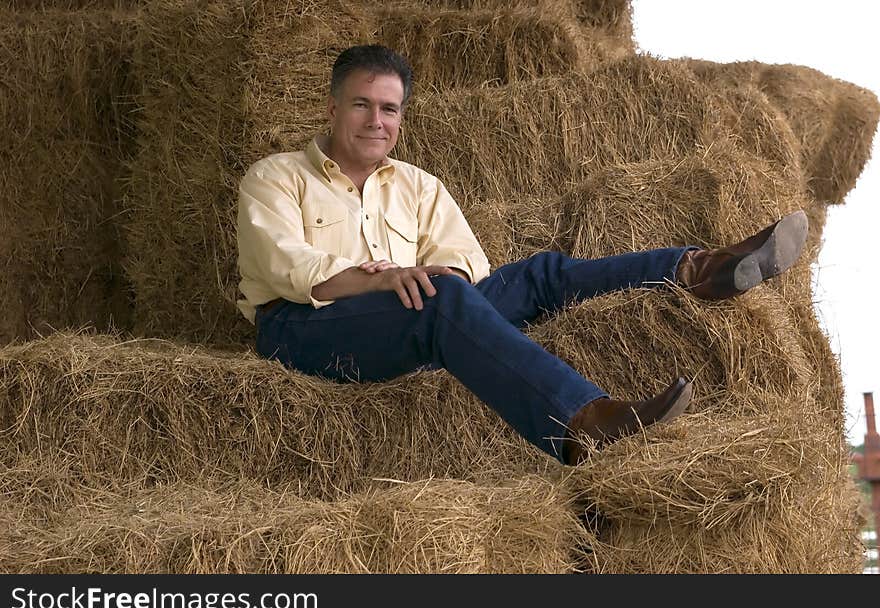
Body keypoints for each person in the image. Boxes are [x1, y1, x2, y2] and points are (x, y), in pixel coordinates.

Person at [236, 45, 808, 466]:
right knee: (445, 304)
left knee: (538, 273)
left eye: (389, 109)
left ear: (402, 118)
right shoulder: (275, 177)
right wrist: (384, 281)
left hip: (403, 317)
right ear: (332, 107)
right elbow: (286, 266)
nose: (376, 120)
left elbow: (465, 263)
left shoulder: (418, 185)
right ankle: (583, 423)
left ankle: (697, 271)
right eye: (362, 104)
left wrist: (435, 279)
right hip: (303, 329)